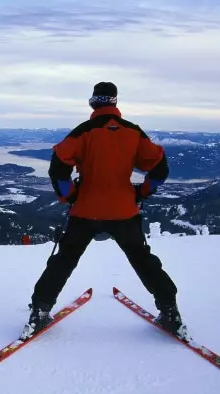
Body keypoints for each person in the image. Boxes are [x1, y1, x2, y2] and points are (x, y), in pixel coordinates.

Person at [21, 81, 187, 341]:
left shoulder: (84, 131)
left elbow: (59, 167)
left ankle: (40, 311)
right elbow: (160, 169)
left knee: (64, 260)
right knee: (143, 260)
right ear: (115, 103)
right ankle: (170, 311)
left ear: (93, 102)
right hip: (124, 212)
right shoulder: (133, 132)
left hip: (85, 211)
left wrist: (70, 196)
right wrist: (141, 192)